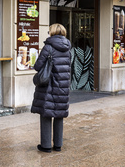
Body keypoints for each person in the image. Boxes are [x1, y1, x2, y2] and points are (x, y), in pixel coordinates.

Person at [31, 23, 71, 153]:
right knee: (59, 115)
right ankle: (58, 145)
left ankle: (46, 145)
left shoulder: (48, 47)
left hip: (49, 85)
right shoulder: (68, 48)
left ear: (51, 32)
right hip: (63, 86)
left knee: (46, 114)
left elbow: (37, 66)